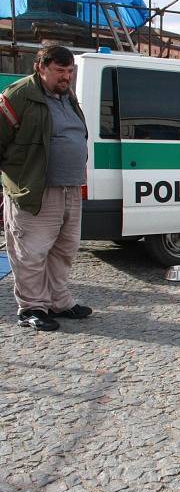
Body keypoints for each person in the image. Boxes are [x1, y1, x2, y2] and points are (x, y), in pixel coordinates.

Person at [0, 45, 92, 331]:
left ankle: (58, 301)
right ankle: (31, 308)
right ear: (40, 67)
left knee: (64, 249)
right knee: (31, 251)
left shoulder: (68, 96)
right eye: (60, 71)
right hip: (35, 190)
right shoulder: (19, 96)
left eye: (69, 71)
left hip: (69, 188)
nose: (66, 77)